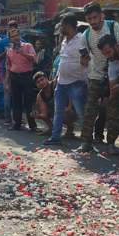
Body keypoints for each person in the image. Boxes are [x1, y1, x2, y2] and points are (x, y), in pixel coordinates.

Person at [79, 2, 119, 152]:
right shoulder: (85, 35)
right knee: (90, 110)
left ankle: (111, 143)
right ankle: (86, 142)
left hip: (115, 75)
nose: (92, 22)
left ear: (102, 16)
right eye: (89, 19)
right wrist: (83, 60)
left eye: (95, 17)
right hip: (95, 76)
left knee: (113, 110)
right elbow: (84, 57)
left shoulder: (114, 27)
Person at [44, 16, 90, 146]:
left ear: (69, 25)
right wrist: (57, 78)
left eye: (62, 25)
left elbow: (86, 60)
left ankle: (87, 140)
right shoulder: (64, 41)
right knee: (58, 111)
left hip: (77, 82)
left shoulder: (81, 39)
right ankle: (55, 137)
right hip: (61, 83)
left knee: (81, 112)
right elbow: (63, 60)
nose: (61, 28)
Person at [5, 28, 38, 131]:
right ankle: (17, 123)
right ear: (10, 38)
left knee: (29, 101)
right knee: (16, 101)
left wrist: (22, 52)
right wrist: (7, 81)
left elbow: (34, 59)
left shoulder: (28, 46)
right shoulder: (9, 50)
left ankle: (32, 125)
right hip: (14, 77)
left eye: (16, 35)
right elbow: (8, 66)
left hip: (27, 76)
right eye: (12, 36)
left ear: (19, 36)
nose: (15, 38)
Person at [33, 70, 77, 136]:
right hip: (59, 111)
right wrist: (37, 115)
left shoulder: (56, 83)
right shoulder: (40, 95)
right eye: (38, 82)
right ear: (36, 85)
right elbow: (44, 114)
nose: (41, 82)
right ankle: (52, 129)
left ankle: (70, 127)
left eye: (42, 79)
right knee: (40, 110)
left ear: (46, 78)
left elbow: (71, 92)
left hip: (73, 109)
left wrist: (69, 107)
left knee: (62, 112)